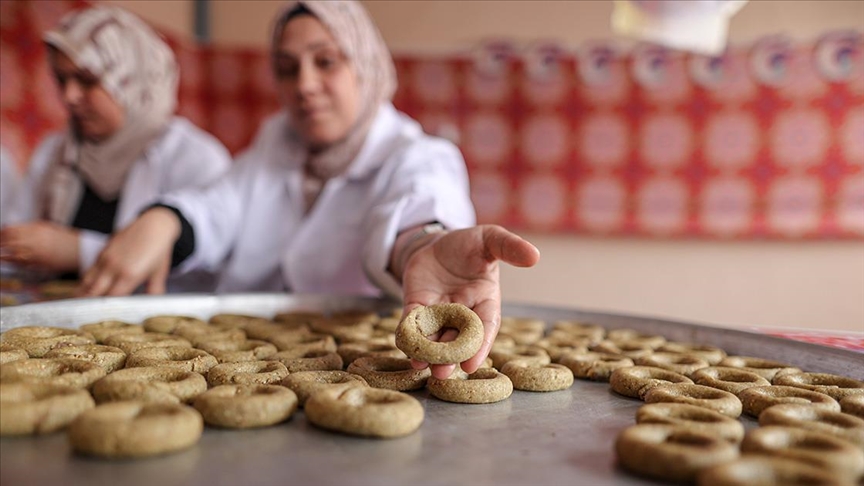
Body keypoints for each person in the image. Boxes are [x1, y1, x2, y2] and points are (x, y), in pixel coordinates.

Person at [79, 0, 540, 378]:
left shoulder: (415, 154)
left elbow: (416, 208)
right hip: (245, 359)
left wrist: (425, 244)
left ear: (364, 64)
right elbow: (219, 206)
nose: (304, 85)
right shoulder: (274, 144)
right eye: (286, 68)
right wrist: (166, 219)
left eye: (326, 61)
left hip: (354, 366)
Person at [0, 6, 232, 292]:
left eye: (87, 80)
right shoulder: (54, 153)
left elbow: (204, 267)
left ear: (132, 80)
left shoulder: (194, 157)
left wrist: (76, 251)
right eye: (62, 80)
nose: (69, 96)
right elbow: (15, 246)